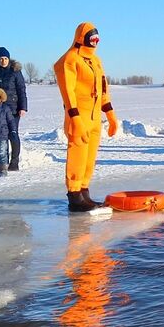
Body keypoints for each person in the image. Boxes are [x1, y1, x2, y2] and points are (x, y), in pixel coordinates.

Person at [54, 22, 119, 212]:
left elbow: (102, 89)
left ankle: (84, 191)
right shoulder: (70, 60)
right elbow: (68, 91)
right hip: (79, 115)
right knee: (78, 154)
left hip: (94, 117)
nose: (95, 42)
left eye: (97, 39)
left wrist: (111, 114)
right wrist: (74, 117)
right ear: (82, 38)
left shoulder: (96, 61)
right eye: (92, 38)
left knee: (90, 157)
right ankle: (75, 195)